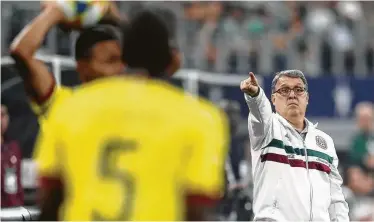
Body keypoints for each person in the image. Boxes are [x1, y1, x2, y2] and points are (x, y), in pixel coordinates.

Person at [34, 9, 229, 221]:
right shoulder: (200, 117)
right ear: (172, 61)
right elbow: (197, 210)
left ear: (125, 56)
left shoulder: (71, 108)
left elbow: (50, 201)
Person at [240, 70, 349, 221]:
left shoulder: (325, 142)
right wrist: (256, 96)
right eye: (284, 90)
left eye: (298, 90)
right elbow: (260, 112)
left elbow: (335, 197)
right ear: (273, 98)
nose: (292, 95)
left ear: (307, 97)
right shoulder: (267, 130)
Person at [9, 1, 124, 120]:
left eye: (121, 60)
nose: (121, 68)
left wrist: (114, 18)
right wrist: (58, 11)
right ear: (83, 67)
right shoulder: (61, 105)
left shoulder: (134, 105)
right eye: (111, 61)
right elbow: (22, 52)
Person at [1, 105, 24, 208]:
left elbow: (17, 182)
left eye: (3, 115)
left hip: (12, 208)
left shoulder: (13, 148)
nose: (1, 120)